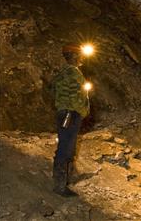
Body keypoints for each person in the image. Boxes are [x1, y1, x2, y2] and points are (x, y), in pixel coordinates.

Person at [51, 45, 90, 197]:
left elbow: (53, 91)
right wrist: (82, 111)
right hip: (71, 114)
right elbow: (77, 96)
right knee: (66, 147)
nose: (82, 58)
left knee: (65, 146)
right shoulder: (73, 72)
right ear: (73, 56)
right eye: (80, 55)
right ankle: (60, 186)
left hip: (64, 112)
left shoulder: (62, 72)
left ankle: (64, 180)